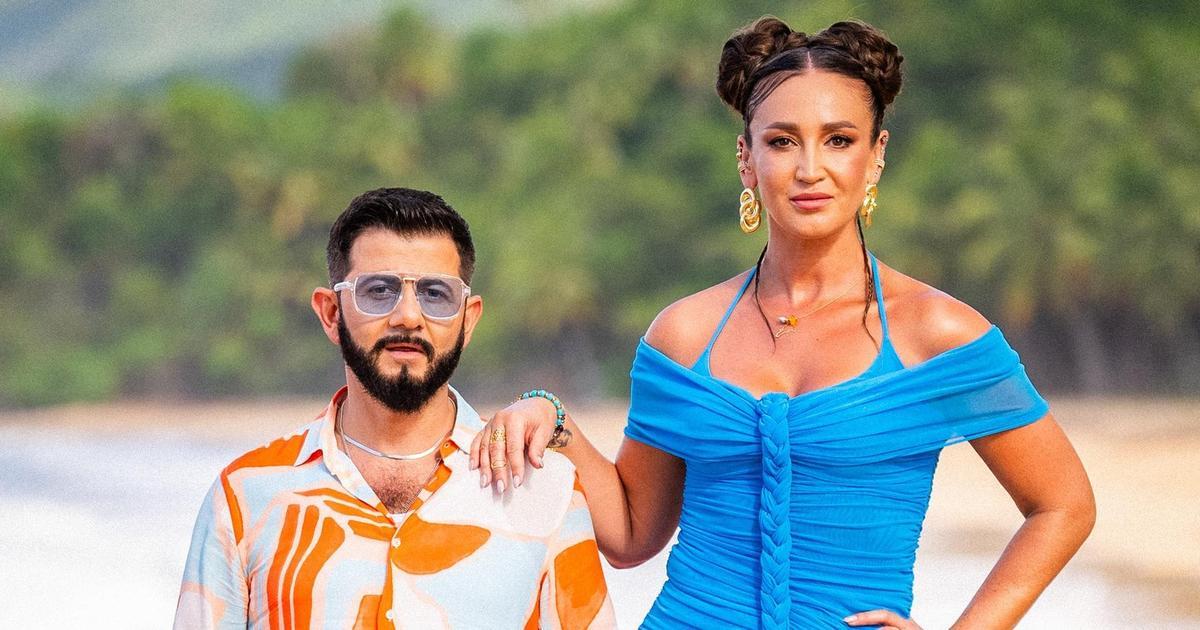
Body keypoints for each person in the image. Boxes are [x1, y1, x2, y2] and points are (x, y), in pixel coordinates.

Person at [471, 17, 1095, 629]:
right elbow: (633, 536)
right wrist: (551, 417)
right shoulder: (683, 335)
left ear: (877, 156)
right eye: (782, 141)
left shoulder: (937, 334)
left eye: (839, 140)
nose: (809, 169)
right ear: (746, 159)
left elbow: (1063, 505)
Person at [174, 188, 615, 629]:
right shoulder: (246, 496)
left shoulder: (545, 490)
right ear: (331, 314)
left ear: (468, 320)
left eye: (435, 294)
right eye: (379, 290)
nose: (407, 316)